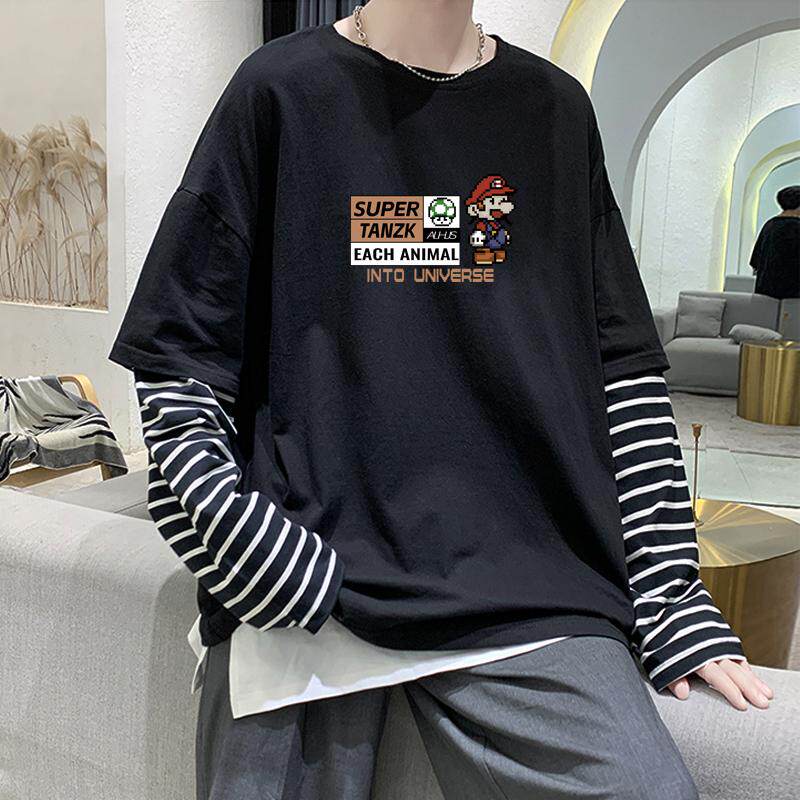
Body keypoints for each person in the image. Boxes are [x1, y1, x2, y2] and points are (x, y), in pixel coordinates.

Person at [108, 2, 773, 798]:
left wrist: (668, 595)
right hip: (309, 588)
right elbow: (182, 350)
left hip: (527, 589)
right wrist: (233, 534)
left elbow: (621, 368)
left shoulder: (554, 111)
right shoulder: (280, 91)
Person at [750, 185, 800, 299]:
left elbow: (755, 263)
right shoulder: (796, 227)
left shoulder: (769, 225)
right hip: (793, 298)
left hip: (765, 295)